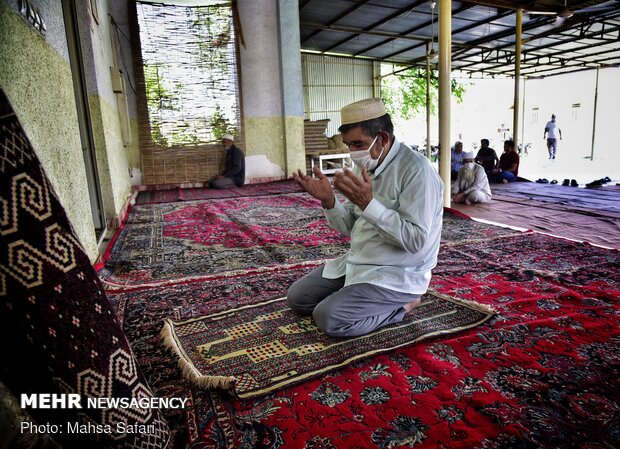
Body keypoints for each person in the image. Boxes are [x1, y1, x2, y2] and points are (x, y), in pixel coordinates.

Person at [287, 98, 444, 338]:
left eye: (358, 144)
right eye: (349, 145)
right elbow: (351, 226)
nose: (352, 152)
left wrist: (368, 204)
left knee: (328, 318)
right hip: (360, 261)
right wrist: (329, 200)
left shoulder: (417, 171)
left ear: (382, 138)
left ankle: (404, 305)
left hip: (396, 272)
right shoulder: (369, 166)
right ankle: (352, 299)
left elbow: (415, 241)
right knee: (298, 298)